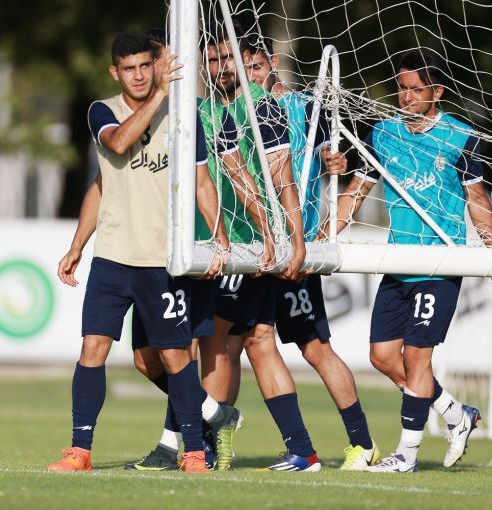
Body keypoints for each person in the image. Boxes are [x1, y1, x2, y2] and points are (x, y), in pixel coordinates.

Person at [322, 48, 492, 473]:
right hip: (399, 260)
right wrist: (321, 236)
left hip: (440, 264)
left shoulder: (461, 137)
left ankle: (406, 455)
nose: (406, 97)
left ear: (437, 92)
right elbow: (357, 191)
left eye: (415, 89)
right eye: (401, 88)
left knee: (416, 357)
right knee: (382, 356)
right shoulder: (382, 133)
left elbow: (477, 198)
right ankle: (456, 414)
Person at [46, 31, 219, 474]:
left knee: (172, 357)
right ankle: (80, 451)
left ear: (154, 64)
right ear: (115, 72)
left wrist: (219, 238)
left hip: (161, 260)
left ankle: (194, 451)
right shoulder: (101, 111)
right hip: (112, 256)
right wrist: (77, 246)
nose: (139, 75)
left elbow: (202, 184)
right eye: (129, 69)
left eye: (146, 65)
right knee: (93, 348)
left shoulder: (184, 117)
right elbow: (113, 160)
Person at [125, 28, 274, 472]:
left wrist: (259, 231)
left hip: (197, 249)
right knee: (146, 359)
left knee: (194, 347)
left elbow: (229, 175)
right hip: (147, 251)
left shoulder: (205, 115)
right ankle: (213, 414)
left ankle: (183, 445)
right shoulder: (134, 115)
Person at [242, 33, 380, 471]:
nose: (251, 76)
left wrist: (336, 161)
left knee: (313, 347)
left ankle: (359, 443)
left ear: (273, 62)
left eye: (256, 67)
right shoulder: (236, 109)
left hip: (294, 244)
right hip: (254, 241)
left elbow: (329, 155)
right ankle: (292, 447)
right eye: (244, 70)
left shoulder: (305, 107)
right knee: (249, 341)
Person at [199, 19, 321, 472]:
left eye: (227, 59)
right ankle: (301, 449)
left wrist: (295, 239)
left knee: (216, 340)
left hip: (248, 244)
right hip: (224, 241)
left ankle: (205, 444)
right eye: (213, 60)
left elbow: (282, 176)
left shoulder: (262, 107)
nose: (221, 68)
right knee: (258, 341)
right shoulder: (200, 110)